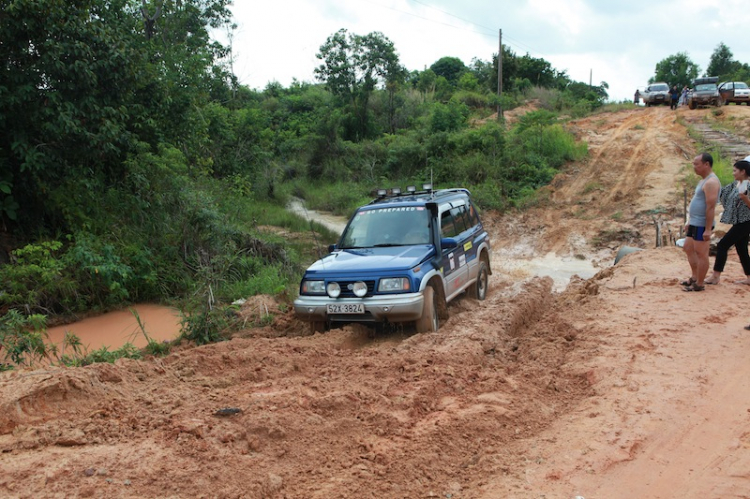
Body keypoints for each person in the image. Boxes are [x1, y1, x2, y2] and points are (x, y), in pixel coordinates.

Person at [704, 160, 750, 285]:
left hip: (746, 222)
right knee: (741, 249)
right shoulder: (736, 185)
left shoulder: (748, 185)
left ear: (743, 171)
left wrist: (746, 199)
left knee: (723, 245)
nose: (733, 173)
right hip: (739, 221)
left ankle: (716, 275)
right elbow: (722, 193)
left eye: (735, 170)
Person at [681, 152, 720, 291]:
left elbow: (710, 207)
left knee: (701, 253)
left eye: (696, 164)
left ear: (706, 164)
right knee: (688, 248)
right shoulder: (703, 180)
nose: (694, 167)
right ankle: (694, 276)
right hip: (695, 222)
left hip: (702, 224)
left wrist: (708, 229)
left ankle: (700, 283)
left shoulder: (712, 182)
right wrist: (689, 221)